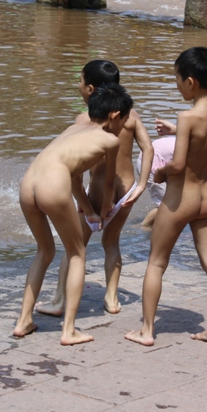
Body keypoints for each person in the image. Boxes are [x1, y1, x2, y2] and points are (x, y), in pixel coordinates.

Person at [13, 83, 133, 345]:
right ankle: (69, 330)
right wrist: (103, 211)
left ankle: (23, 321)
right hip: (53, 186)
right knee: (77, 253)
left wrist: (87, 211)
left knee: (44, 250)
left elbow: (77, 179)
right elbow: (109, 183)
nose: (123, 127)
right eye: (124, 121)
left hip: (28, 183)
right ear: (115, 116)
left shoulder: (73, 129)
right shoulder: (110, 140)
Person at [125, 47, 207, 347]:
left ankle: (146, 330)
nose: (177, 84)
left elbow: (179, 164)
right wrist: (176, 129)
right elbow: (203, 141)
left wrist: (159, 173)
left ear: (191, 82)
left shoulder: (187, 117)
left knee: (156, 263)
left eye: (178, 78)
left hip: (181, 199)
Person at [36, 60, 153, 316]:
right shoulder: (131, 116)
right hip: (125, 193)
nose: (78, 86)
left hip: (95, 194)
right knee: (112, 242)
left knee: (75, 247)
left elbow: (74, 169)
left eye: (79, 81)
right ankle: (111, 299)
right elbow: (148, 148)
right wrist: (142, 184)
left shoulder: (83, 118)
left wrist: (85, 202)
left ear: (90, 89)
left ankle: (59, 299)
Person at [138, 127, 207, 228]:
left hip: (161, 160)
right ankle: (144, 226)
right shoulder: (193, 153)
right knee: (167, 204)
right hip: (148, 163)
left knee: (176, 199)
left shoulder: (195, 147)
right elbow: (197, 182)